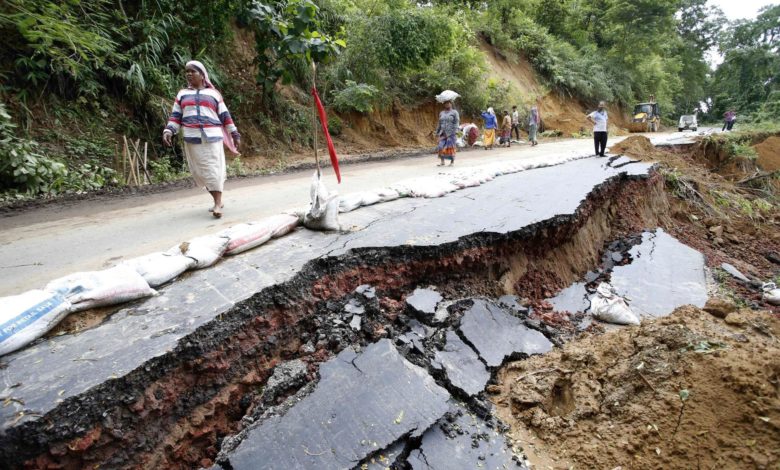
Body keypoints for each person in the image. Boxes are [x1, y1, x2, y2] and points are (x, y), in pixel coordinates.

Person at [163, 60, 240, 218]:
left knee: (213, 170)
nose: (189, 74)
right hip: (192, 139)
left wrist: (234, 133)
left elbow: (225, 116)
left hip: (212, 138)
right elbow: (176, 116)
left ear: (202, 75)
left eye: (193, 71)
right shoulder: (182, 94)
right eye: (187, 72)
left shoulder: (213, 94)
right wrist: (169, 130)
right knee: (201, 173)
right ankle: (217, 199)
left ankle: (218, 204)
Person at [435, 100, 460, 166]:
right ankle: (442, 161)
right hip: (443, 133)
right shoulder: (441, 113)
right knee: (440, 146)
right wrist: (437, 133)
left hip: (451, 133)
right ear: (444, 104)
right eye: (446, 103)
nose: (447, 104)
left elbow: (457, 122)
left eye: (449, 103)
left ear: (451, 104)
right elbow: (439, 124)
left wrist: (456, 131)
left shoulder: (454, 112)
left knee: (450, 147)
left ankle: (452, 162)